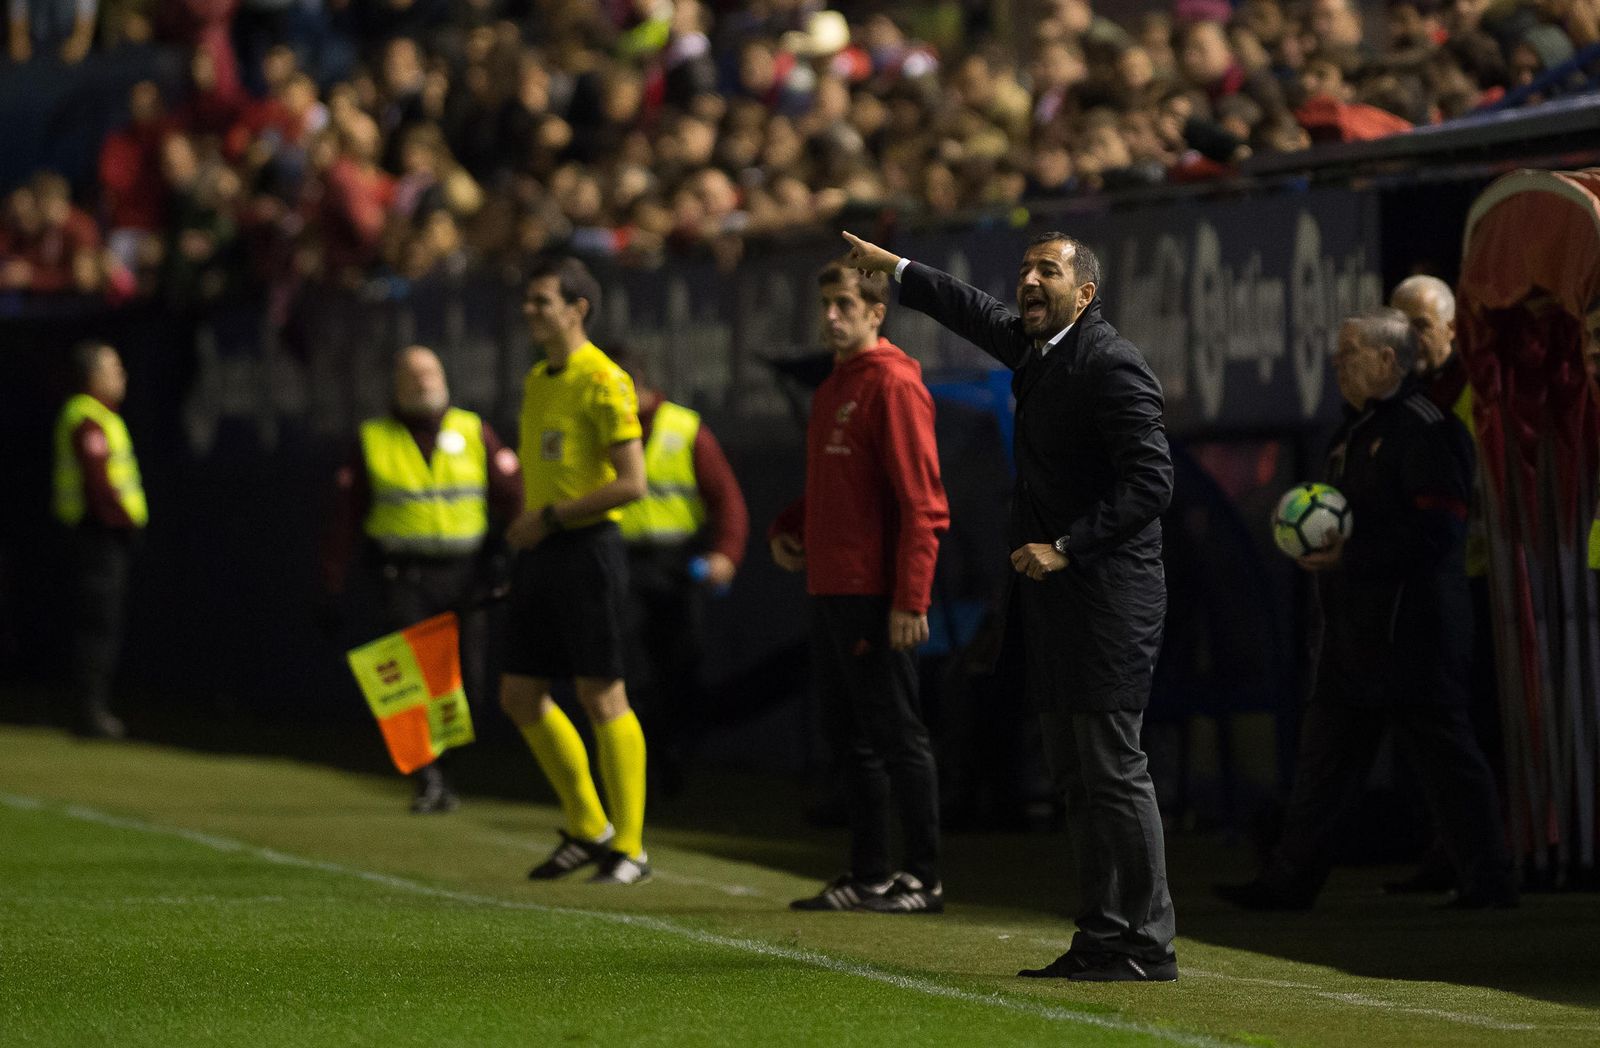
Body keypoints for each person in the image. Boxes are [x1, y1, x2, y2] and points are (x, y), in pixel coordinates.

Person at [840, 230, 1178, 981]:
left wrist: (1069, 543)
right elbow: (968, 309)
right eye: (1026, 268)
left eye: (1047, 271)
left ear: (1085, 294)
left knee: (1113, 768)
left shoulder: (1112, 364)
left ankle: (1148, 944)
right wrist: (895, 268)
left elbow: (1153, 484)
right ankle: (1102, 937)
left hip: (1109, 593)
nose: (1029, 281)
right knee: (1073, 772)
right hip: (1056, 593)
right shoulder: (1040, 348)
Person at [1215, 308, 1518, 911]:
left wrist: (1349, 557)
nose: (1336, 364)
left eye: (1348, 352)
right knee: (1324, 762)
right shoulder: (1352, 433)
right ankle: (1288, 882)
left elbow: (1439, 532)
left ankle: (1490, 881)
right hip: (1355, 635)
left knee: (1446, 760)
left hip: (1414, 631)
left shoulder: (1426, 429)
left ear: (1387, 360)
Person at [772, 262, 950, 915]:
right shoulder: (836, 387)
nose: (831, 316)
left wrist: (911, 597)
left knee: (898, 734)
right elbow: (831, 487)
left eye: (845, 304)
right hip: (831, 586)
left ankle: (924, 876)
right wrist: (787, 529)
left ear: (878, 311)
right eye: (825, 304)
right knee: (849, 735)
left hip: (872, 591)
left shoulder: (894, 385)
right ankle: (870, 873)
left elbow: (922, 502)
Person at [498, 256, 652, 885]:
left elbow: (633, 484)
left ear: (577, 308)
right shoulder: (539, 378)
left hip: (587, 551)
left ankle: (632, 848)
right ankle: (589, 826)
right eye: (529, 301)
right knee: (519, 695)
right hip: (544, 550)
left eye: (543, 301)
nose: (531, 311)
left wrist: (553, 518)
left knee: (601, 692)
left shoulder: (604, 380)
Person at [322, 344, 522, 813]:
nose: (425, 383)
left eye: (431, 373)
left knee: (463, 681)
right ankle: (425, 775)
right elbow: (345, 519)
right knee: (409, 680)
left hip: (465, 574)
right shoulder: (374, 438)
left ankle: (445, 770)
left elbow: (514, 494)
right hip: (402, 573)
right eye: (413, 376)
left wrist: (507, 552)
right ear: (396, 386)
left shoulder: (473, 430)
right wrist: (331, 582)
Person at [1386, 274, 1499, 895]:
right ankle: (1447, 849)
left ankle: (1483, 859)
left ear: (1453, 329)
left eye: (1422, 325)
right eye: (1400, 324)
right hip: (1436, 580)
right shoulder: (1404, 400)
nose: (1411, 338)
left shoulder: (1475, 392)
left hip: (1483, 579)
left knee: (1472, 724)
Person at [613, 349, 749, 796]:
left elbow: (726, 499)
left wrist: (725, 554)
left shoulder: (684, 428)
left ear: (638, 381)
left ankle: (670, 761)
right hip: (620, 564)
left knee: (678, 669)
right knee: (628, 671)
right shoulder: (601, 426)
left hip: (675, 568)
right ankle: (635, 765)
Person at [53, 341, 146, 739]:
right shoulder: (86, 418)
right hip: (99, 536)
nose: (121, 375)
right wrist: (122, 523)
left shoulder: (103, 417)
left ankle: (94, 708)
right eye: (114, 367)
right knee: (98, 626)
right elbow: (98, 486)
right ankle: (91, 713)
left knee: (102, 624)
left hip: (105, 537)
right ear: (93, 376)